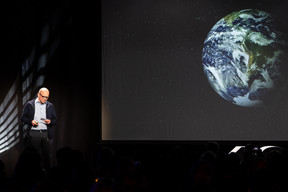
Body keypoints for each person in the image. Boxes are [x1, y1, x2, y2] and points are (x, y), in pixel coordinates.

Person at [20, 87, 57, 171]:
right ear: (38, 94)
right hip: (34, 133)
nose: (45, 99)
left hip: (46, 133)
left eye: (46, 97)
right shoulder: (30, 104)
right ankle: (34, 173)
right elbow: (23, 118)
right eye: (43, 96)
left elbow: (55, 120)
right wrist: (31, 122)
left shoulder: (50, 105)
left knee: (47, 155)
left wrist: (50, 122)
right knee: (34, 156)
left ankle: (48, 174)